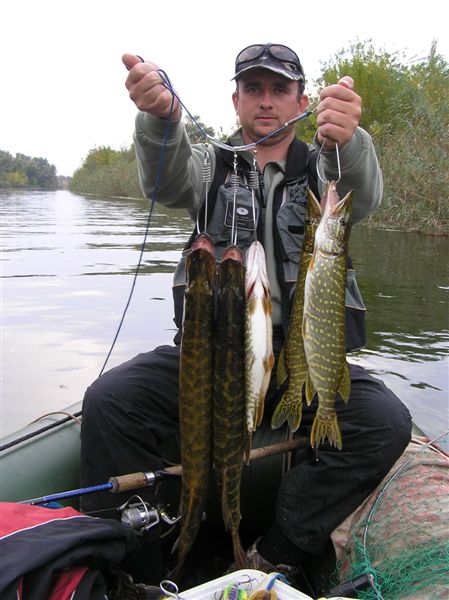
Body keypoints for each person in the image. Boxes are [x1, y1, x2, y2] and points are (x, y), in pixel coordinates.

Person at [80, 43, 412, 591]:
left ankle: (277, 549)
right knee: (109, 401)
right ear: (235, 101)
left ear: (302, 102)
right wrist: (161, 119)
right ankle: (138, 571)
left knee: (385, 423)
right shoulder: (209, 164)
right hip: (207, 353)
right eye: (253, 89)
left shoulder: (325, 165)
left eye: (280, 90)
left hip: (302, 360)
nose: (266, 101)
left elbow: (366, 194)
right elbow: (167, 182)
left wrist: (350, 138)